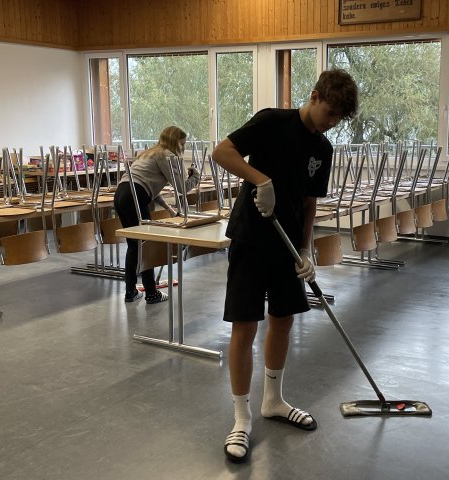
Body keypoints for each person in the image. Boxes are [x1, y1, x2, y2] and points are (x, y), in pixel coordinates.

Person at [212, 69, 358, 463]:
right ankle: (241, 418)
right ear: (314, 96)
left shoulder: (323, 149)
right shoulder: (272, 121)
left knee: (283, 320)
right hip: (251, 239)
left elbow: (309, 204)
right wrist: (260, 180)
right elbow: (221, 152)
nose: (332, 122)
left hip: (288, 245)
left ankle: (273, 401)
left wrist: (306, 249)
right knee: (245, 325)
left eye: (339, 118)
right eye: (329, 112)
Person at [114, 125, 200, 304]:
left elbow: (151, 190)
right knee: (146, 245)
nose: (183, 148)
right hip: (135, 196)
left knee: (134, 245)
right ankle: (151, 293)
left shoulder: (149, 153)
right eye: (182, 144)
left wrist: (169, 209)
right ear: (173, 141)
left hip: (122, 194)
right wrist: (195, 177)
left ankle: (131, 291)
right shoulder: (167, 155)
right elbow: (182, 188)